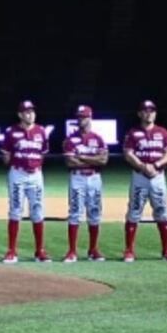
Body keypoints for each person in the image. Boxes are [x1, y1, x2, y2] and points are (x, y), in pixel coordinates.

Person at [122, 99, 167, 262]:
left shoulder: (163, 132)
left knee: (162, 211)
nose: (149, 113)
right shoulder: (133, 132)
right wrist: (142, 165)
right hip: (140, 175)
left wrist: (156, 164)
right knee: (134, 211)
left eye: (151, 110)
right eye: (145, 110)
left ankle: (166, 249)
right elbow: (128, 153)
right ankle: (129, 250)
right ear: (139, 113)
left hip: (158, 176)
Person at [1, 100, 51, 263]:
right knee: (15, 210)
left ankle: (39, 251)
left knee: (37, 211)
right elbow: (6, 157)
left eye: (32, 111)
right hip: (18, 174)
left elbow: (43, 153)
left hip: (35, 174)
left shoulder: (41, 131)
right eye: (27, 112)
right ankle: (12, 251)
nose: (30, 114)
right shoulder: (12, 132)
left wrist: (33, 165)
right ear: (20, 114)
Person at [61, 105, 109, 262]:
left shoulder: (98, 138)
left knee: (94, 213)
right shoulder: (70, 139)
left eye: (84, 117)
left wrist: (81, 157)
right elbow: (70, 162)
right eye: (79, 117)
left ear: (90, 118)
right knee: (75, 212)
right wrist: (92, 159)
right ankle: (72, 251)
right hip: (77, 178)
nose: (81, 119)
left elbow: (103, 160)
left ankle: (93, 249)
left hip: (94, 178)